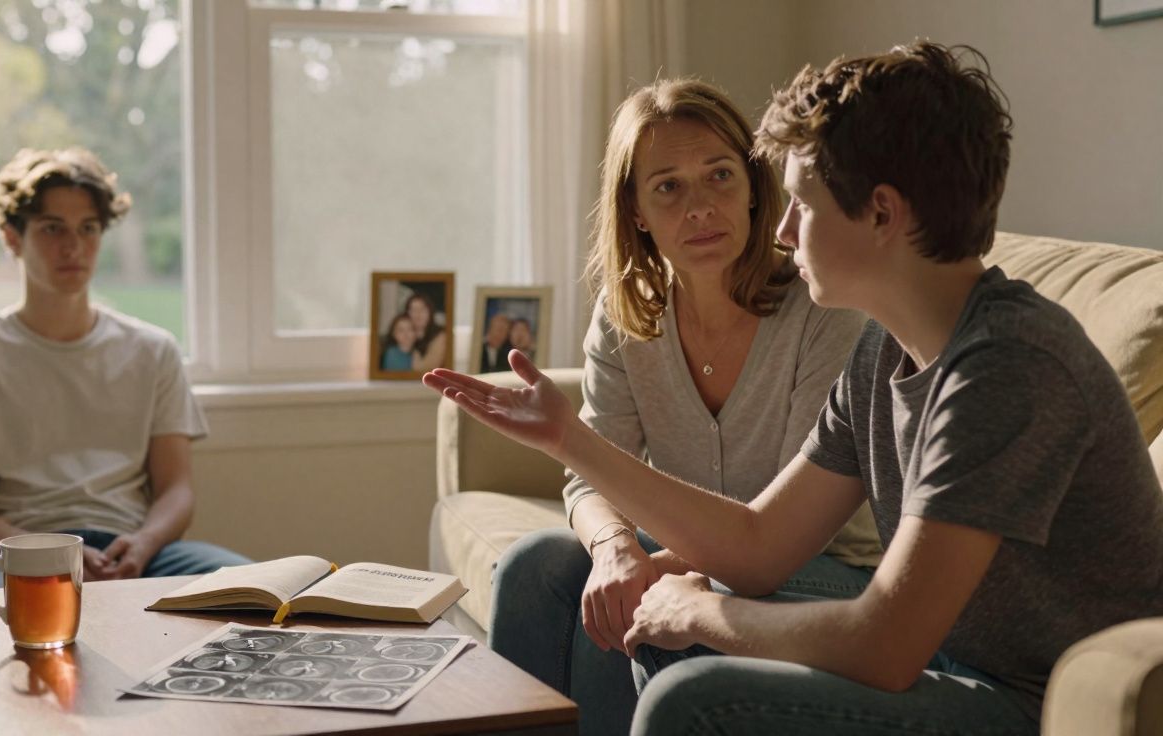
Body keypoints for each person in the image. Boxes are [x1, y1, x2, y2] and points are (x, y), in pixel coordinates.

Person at [424, 41, 1163, 735]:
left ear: (881, 214)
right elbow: (759, 547)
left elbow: (886, 645)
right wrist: (567, 438)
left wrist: (698, 613)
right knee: (590, 590)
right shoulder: (885, 351)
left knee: (695, 693)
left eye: (802, 204)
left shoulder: (1006, 365)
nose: (780, 231)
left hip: (1038, 702)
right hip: (951, 663)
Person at [479, 78, 880, 736]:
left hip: (824, 568)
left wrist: (648, 569)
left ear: (753, 187)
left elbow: (791, 531)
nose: (700, 208)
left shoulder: (823, 309)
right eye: (668, 186)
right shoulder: (627, 312)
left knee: (635, 599)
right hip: (697, 548)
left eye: (720, 175)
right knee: (536, 567)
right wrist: (614, 549)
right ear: (636, 210)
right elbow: (589, 474)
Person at [0, 147, 252, 591]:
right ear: (12, 239)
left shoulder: (153, 351)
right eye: (53, 228)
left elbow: (177, 490)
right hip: (17, 553)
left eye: (88, 228)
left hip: (135, 550)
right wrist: (50, 555)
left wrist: (145, 543)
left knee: (261, 595)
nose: (73, 246)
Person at [406, 292, 447, 371]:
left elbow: (426, 369)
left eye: (422, 309)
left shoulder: (441, 336)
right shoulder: (404, 336)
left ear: (430, 311)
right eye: (413, 310)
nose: (418, 314)